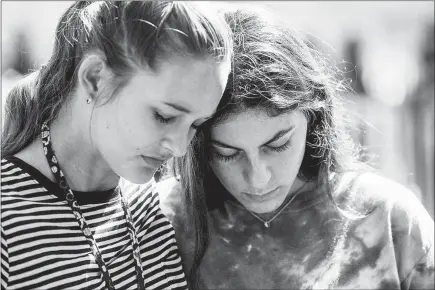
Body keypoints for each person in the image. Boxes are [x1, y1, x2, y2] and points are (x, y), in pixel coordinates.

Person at [158, 7, 435, 290]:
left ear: (313, 115)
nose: (258, 178)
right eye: (227, 153)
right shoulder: (161, 222)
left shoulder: (390, 218)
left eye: (278, 144)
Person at [1, 1, 232, 289]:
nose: (180, 148)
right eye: (164, 116)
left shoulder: (151, 200)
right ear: (95, 79)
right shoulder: (7, 221)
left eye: (196, 125)